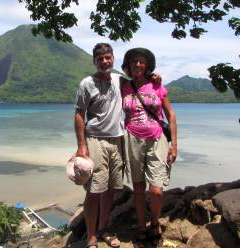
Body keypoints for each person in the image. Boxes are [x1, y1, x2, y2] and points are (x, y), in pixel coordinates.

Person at [120, 48, 177, 247]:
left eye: (142, 61)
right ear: (128, 65)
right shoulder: (124, 86)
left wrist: (174, 145)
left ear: (147, 65)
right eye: (134, 61)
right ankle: (141, 227)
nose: (137, 65)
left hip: (157, 139)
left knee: (156, 190)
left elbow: (171, 115)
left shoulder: (157, 85)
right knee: (137, 188)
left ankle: (154, 222)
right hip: (132, 139)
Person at [74, 43, 124, 248]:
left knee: (110, 189)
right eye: (100, 58)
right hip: (95, 141)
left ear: (113, 58)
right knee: (94, 191)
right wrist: (82, 146)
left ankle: (104, 229)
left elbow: (141, 81)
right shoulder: (87, 83)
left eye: (108, 57)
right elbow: (79, 114)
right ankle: (91, 236)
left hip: (118, 140)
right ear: (94, 61)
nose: (105, 61)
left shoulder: (120, 80)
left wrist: (155, 78)